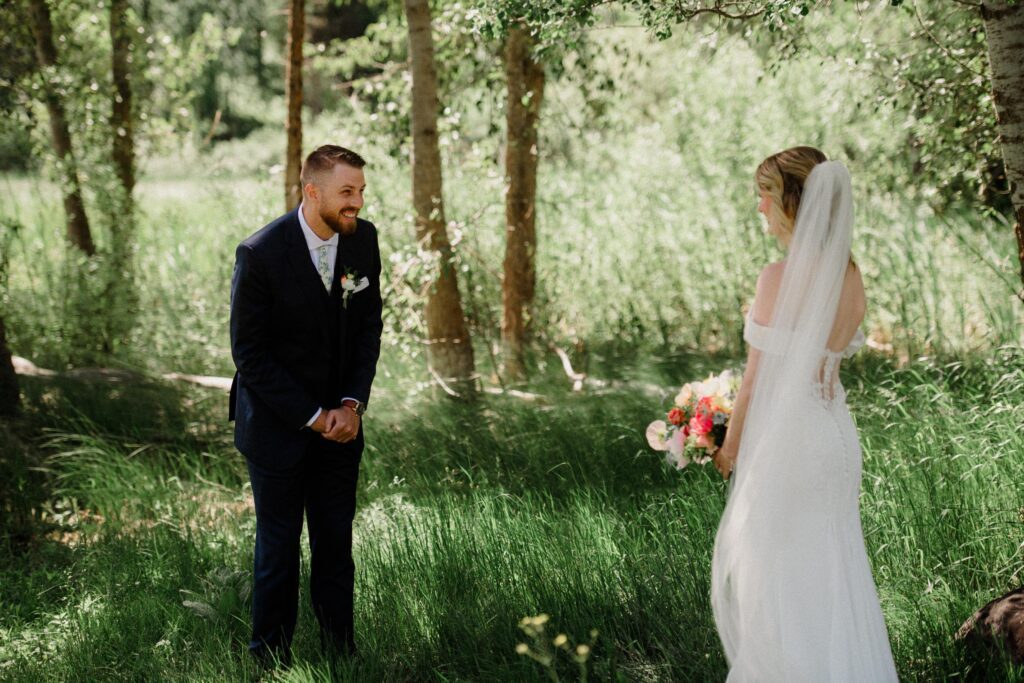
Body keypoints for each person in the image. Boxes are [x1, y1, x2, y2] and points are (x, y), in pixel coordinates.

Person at [710, 147, 899, 681]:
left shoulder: (777, 278)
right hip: (834, 436)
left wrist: (728, 448)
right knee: (834, 568)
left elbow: (751, 384)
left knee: (776, 574)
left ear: (791, 202)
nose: (760, 210)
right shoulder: (850, 275)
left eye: (765, 197)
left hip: (789, 436)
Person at [229, 145, 383, 665]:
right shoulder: (260, 253)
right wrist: (313, 416)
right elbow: (249, 353)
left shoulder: (364, 244)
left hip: (342, 424)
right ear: (311, 191)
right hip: (277, 423)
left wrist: (350, 406)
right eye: (347, 192)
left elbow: (367, 331)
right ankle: (270, 663)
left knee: (336, 542)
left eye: (360, 191)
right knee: (278, 548)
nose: (357, 202)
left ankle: (341, 654)